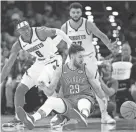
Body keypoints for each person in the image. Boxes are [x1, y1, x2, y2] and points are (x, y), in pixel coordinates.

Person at [51, 2, 117, 125]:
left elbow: (100, 35)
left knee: (96, 85)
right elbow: (57, 41)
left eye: (78, 12)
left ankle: (104, 115)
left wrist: (109, 46)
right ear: (70, 13)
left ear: (81, 13)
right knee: (64, 86)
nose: (75, 14)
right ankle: (61, 115)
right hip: (72, 59)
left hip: (88, 58)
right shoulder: (65, 27)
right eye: (73, 12)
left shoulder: (88, 24)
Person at [16, 44, 107, 130]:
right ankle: (32, 118)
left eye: (83, 57)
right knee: (51, 101)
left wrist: (104, 99)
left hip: (85, 98)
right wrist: (44, 87)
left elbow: (98, 89)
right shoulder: (60, 70)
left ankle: (82, 117)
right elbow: (50, 92)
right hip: (69, 102)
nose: (82, 59)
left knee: (82, 102)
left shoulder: (86, 69)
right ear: (71, 56)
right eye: (80, 57)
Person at [1, 20, 72, 127]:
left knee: (42, 84)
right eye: (23, 30)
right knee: (20, 89)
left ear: (30, 27)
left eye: (27, 28)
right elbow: (8, 65)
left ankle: (61, 113)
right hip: (40, 62)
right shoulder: (18, 44)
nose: (26, 31)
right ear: (18, 32)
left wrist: (71, 45)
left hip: (54, 59)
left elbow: (58, 32)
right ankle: (18, 117)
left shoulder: (40, 31)